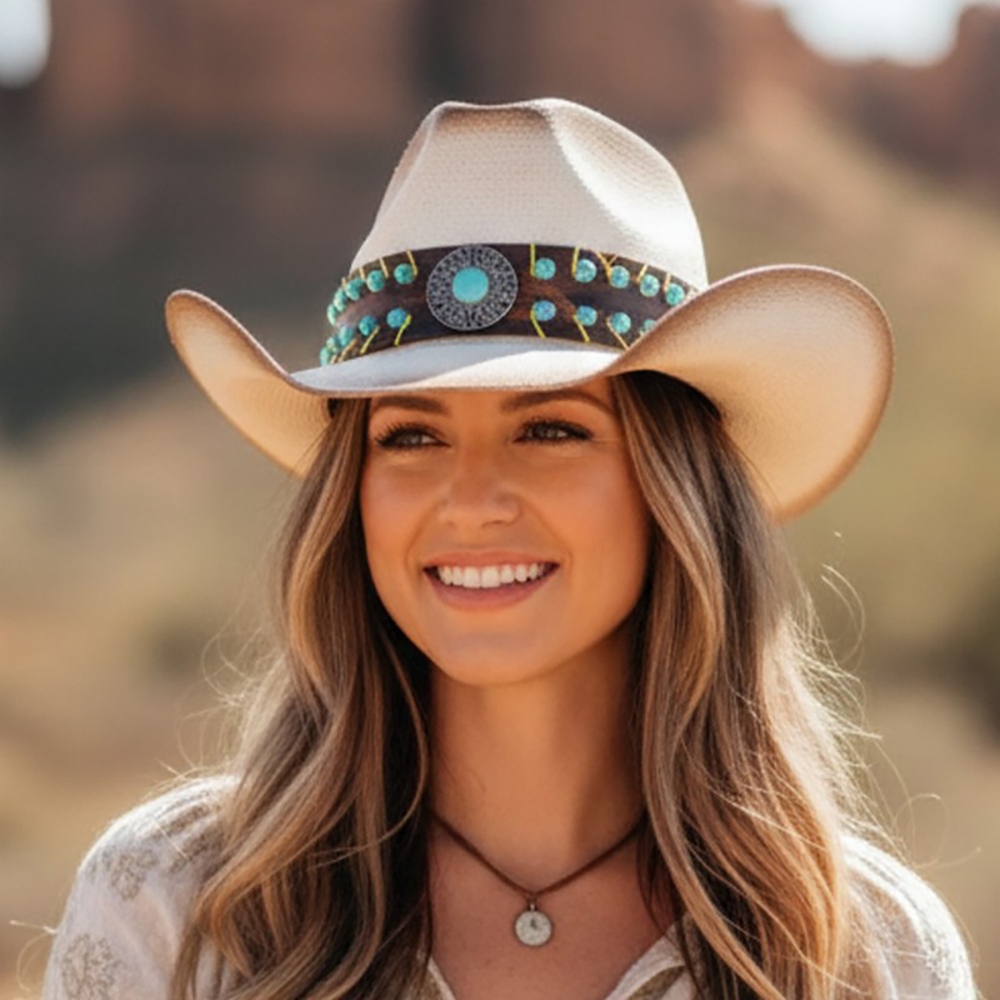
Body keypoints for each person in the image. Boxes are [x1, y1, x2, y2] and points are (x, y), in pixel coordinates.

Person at [42, 99, 978, 1000]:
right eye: (411, 436)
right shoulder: (174, 906)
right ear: (351, 498)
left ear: (675, 490)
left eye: (552, 431)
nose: (474, 501)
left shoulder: (867, 950)